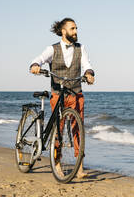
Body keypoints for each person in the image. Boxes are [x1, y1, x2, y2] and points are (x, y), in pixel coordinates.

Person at [29, 17, 95, 178]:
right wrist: (35, 66)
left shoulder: (81, 48)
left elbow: (87, 65)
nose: (76, 31)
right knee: (57, 130)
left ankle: (79, 167)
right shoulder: (52, 49)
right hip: (58, 94)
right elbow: (39, 59)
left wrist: (89, 74)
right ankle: (56, 162)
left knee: (78, 129)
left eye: (76, 28)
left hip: (76, 93)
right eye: (73, 28)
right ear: (64, 31)